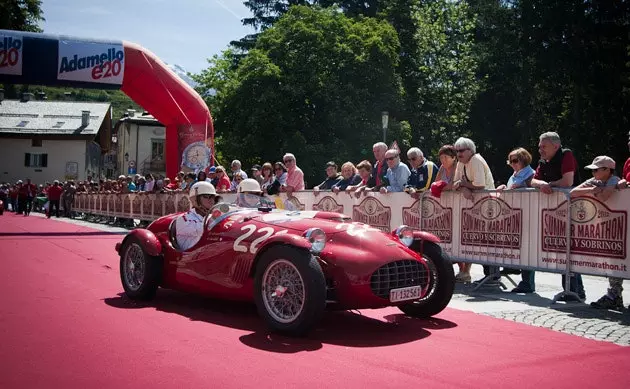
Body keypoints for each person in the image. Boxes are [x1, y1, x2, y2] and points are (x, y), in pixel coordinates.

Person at [175, 181, 218, 251]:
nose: (211, 200)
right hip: (190, 259)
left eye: (213, 197)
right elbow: (203, 230)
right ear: (195, 200)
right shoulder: (184, 219)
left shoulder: (211, 217)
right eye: (206, 197)